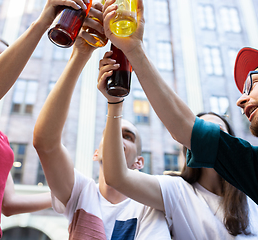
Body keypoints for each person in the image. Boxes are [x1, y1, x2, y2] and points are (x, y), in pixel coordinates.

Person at [100, 0, 258, 239]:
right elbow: (184, 126)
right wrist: (134, 50)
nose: (241, 100)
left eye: (253, 83)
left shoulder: (257, 194)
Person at [0, 1, 91, 239]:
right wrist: (43, 22)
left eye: (6, 57)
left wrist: (76, 194)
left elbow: (9, 203)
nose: (2, 63)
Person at [97, 53, 258, 238]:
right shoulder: (175, 191)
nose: (208, 136)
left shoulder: (254, 196)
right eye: (201, 131)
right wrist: (114, 102)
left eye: (217, 130)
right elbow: (117, 177)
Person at [33, 4, 171, 239]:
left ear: (139, 162)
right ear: (96, 153)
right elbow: (45, 143)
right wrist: (81, 54)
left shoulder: (152, 204)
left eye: (127, 136)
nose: (117, 135)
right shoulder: (80, 193)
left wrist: (115, 103)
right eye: (112, 133)